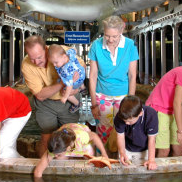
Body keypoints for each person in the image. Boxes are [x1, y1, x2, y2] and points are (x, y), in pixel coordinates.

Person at [21, 35, 84, 156]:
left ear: (46, 49)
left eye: (39, 57)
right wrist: (63, 82)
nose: (36, 62)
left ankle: (67, 167)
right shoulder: (26, 64)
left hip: (68, 103)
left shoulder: (60, 51)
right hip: (46, 104)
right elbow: (39, 95)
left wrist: (75, 88)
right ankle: (44, 168)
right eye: (32, 58)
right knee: (46, 137)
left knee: (69, 136)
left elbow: (82, 66)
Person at [89, 15, 139, 154]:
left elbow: (132, 75)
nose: (110, 40)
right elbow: (92, 76)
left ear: (121, 30)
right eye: (107, 36)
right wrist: (93, 104)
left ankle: (120, 158)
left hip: (123, 95)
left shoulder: (130, 45)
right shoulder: (96, 45)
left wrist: (131, 102)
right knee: (103, 131)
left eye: (114, 36)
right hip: (102, 95)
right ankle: (103, 159)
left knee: (122, 129)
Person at [34, 123, 109, 177]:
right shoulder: (55, 145)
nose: (55, 156)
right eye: (55, 153)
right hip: (66, 133)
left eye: (58, 153)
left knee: (88, 158)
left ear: (68, 148)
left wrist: (104, 153)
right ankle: (67, 158)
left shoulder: (81, 137)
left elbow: (94, 136)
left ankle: (75, 157)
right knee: (60, 159)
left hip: (81, 133)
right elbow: (38, 171)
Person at [114, 95, 158, 170]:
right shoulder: (119, 116)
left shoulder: (151, 114)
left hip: (145, 149)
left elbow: (152, 139)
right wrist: (122, 153)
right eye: (125, 121)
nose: (127, 123)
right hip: (127, 148)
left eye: (130, 121)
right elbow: (120, 136)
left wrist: (151, 160)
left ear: (140, 113)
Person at [48, 44, 86, 113]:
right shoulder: (69, 53)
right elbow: (74, 49)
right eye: (52, 63)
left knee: (65, 92)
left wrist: (65, 97)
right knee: (77, 74)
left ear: (64, 57)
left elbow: (69, 85)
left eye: (56, 62)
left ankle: (77, 104)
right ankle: (83, 88)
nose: (54, 65)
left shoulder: (66, 70)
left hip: (75, 81)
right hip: (81, 74)